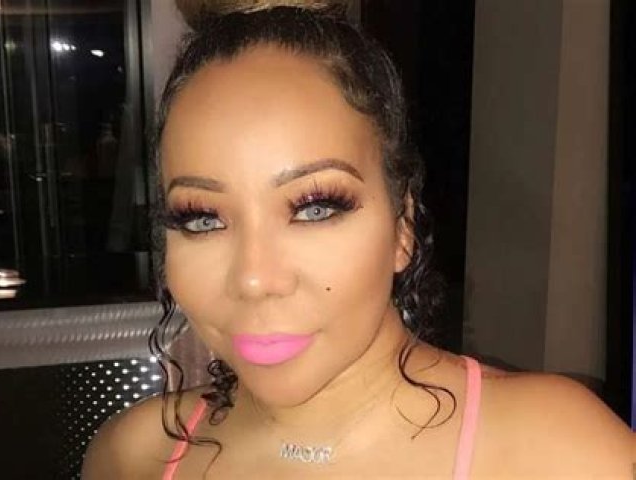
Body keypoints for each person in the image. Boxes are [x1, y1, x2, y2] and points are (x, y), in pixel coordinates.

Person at [82, 4, 634, 479]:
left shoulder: (561, 453)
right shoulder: (133, 457)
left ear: (402, 225)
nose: (253, 278)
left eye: (315, 208)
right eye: (202, 218)